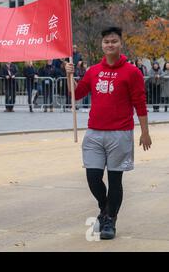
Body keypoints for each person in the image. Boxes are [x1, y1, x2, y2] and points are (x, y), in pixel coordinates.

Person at [66, 27, 151, 240]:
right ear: (102, 45)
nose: (110, 45)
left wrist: (145, 132)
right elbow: (77, 94)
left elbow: (140, 103)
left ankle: (110, 221)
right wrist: (69, 76)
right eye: (106, 41)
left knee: (115, 180)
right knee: (93, 177)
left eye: (114, 41)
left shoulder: (132, 72)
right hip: (94, 133)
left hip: (120, 134)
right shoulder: (93, 71)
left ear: (120, 44)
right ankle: (104, 209)